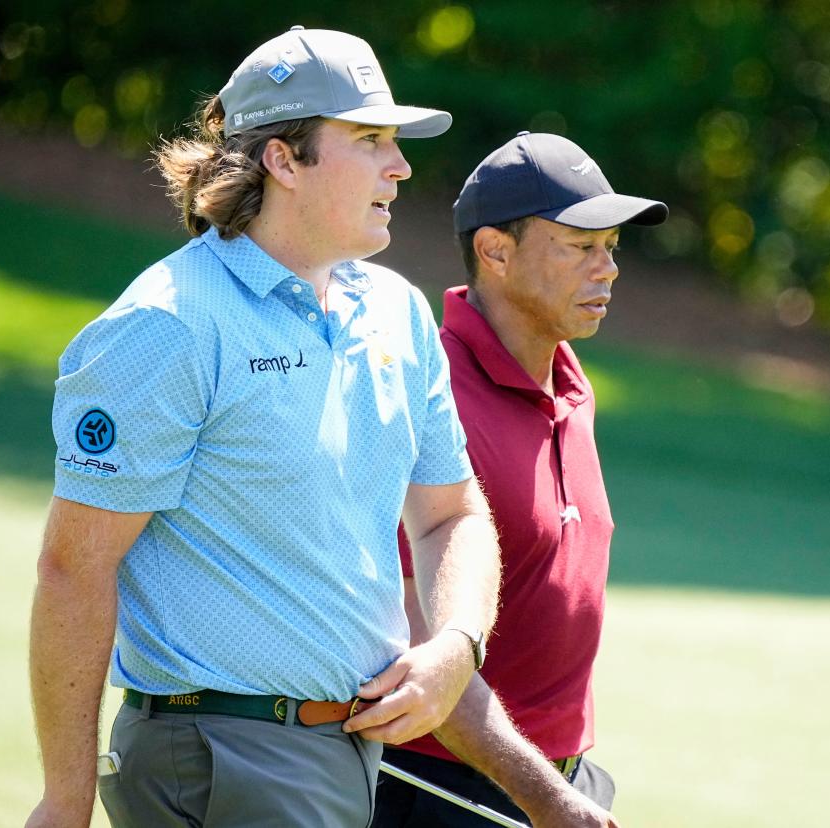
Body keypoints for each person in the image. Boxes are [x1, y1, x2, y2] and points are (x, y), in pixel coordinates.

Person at [26, 26, 501, 828]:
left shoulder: (397, 312)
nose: (401, 165)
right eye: (371, 140)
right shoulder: (169, 324)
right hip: (222, 753)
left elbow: (453, 513)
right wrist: (66, 802)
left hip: (344, 755)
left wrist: (456, 645)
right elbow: (75, 569)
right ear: (284, 159)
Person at [366, 131, 668, 827]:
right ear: (495, 252)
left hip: (550, 781)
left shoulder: (569, 381)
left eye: (612, 247)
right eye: (580, 245)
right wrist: (547, 798)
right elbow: (418, 650)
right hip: (438, 790)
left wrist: (568, 786)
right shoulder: (431, 397)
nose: (608, 268)